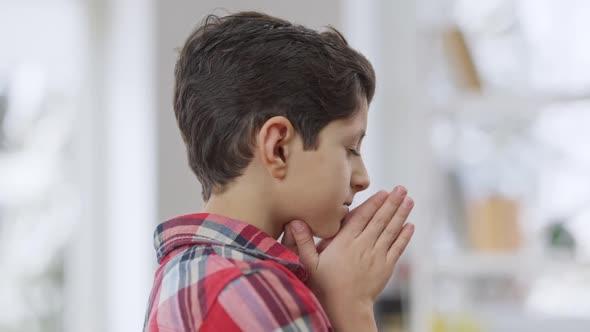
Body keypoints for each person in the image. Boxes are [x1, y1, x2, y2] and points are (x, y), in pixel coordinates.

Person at [143, 11, 415, 332]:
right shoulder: (251, 291)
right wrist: (351, 306)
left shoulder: (191, 273)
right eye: (350, 148)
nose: (363, 177)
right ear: (278, 148)